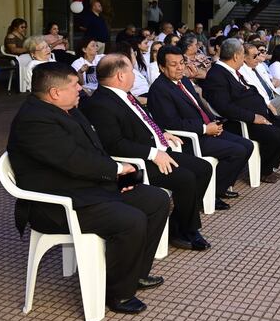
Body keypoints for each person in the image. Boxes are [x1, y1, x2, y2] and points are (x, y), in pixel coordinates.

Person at [7, 62, 169, 314]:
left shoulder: (68, 108)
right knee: (131, 219)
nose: (80, 89)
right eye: (74, 85)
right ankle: (117, 294)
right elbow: (74, 161)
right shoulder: (34, 121)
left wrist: (119, 180)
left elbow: (94, 151)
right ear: (55, 93)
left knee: (156, 199)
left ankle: (133, 274)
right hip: (56, 203)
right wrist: (117, 171)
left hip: (85, 188)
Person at [81, 54, 213, 251]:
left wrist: (162, 133)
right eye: (131, 71)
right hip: (134, 165)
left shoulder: (123, 94)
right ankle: (184, 231)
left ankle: (177, 223)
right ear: (120, 76)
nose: (134, 75)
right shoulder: (101, 104)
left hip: (153, 150)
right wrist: (153, 154)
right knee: (186, 178)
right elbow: (114, 145)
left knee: (203, 167)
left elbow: (143, 121)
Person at [147, 46, 250, 204]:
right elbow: (170, 123)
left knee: (247, 145)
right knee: (237, 151)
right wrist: (204, 128)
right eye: (174, 64)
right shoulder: (159, 89)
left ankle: (218, 188)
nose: (180, 67)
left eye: (182, 62)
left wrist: (212, 122)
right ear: (162, 67)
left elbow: (199, 105)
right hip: (188, 139)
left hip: (206, 130)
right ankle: (209, 194)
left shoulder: (184, 81)